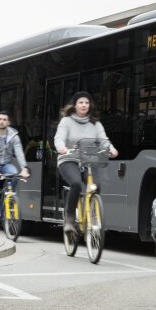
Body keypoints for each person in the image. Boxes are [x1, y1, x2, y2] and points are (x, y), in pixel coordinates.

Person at [54, 91, 118, 236]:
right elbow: (59, 138)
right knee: (76, 183)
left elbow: (104, 140)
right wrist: (61, 148)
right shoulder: (66, 121)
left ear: (90, 105)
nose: (84, 105)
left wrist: (112, 150)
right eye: (81, 102)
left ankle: (92, 216)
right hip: (69, 159)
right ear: (75, 105)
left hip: (89, 160)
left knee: (97, 185)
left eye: (87, 103)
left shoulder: (95, 124)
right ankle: (70, 220)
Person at [0, 111, 30, 232]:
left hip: (6, 165)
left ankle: (9, 199)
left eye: (4, 119)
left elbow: (19, 152)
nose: (1, 121)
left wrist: (24, 168)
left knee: (14, 174)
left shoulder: (13, 136)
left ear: (8, 122)